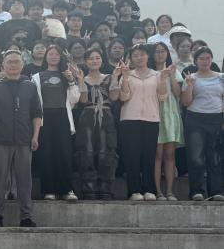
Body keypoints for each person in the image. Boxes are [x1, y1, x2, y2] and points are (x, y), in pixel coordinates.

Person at [0, 49, 42, 227]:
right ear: (3, 65)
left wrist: (35, 136)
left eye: (16, 61)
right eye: (9, 62)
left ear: (22, 65)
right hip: (0, 139)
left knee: (25, 180)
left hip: (24, 140)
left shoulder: (30, 87)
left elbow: (37, 113)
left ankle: (26, 216)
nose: (13, 65)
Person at [116, 44, 170, 201]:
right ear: (131, 59)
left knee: (149, 155)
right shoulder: (128, 75)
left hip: (151, 119)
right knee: (131, 156)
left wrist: (163, 79)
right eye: (135, 55)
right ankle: (134, 191)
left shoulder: (157, 75)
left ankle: (149, 189)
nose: (139, 58)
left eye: (142, 54)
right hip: (129, 119)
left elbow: (162, 97)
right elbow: (124, 97)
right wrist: (125, 77)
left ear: (148, 56)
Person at [31, 45, 80, 201]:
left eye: (56, 54)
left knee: (64, 154)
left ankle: (67, 190)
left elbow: (74, 100)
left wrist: (71, 81)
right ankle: (48, 190)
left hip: (63, 117)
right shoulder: (37, 77)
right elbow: (34, 101)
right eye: (50, 54)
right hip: (44, 119)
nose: (53, 56)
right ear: (46, 57)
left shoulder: (66, 75)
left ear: (60, 57)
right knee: (46, 155)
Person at [74, 49, 120, 200]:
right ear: (86, 61)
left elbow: (114, 97)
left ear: (102, 60)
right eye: (91, 58)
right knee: (86, 151)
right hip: (87, 115)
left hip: (106, 115)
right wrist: (81, 81)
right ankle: (89, 187)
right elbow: (83, 100)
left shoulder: (108, 77)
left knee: (105, 150)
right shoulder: (83, 78)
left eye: (97, 58)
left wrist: (115, 78)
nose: (94, 61)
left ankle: (106, 186)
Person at [181, 47, 224, 202]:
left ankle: (217, 191)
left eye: (207, 58)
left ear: (211, 59)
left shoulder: (221, 77)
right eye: (201, 59)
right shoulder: (190, 77)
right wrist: (190, 85)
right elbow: (185, 102)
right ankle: (196, 190)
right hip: (195, 119)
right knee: (196, 157)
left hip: (217, 118)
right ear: (195, 61)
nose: (205, 61)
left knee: (215, 157)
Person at [148, 43, 184, 201]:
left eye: (163, 51)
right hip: (154, 113)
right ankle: (158, 191)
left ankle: (170, 191)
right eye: (157, 51)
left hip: (170, 114)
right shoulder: (149, 72)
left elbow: (178, 94)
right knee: (157, 155)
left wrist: (172, 75)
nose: (160, 54)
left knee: (170, 155)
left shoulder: (174, 71)